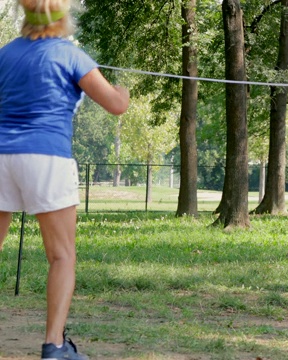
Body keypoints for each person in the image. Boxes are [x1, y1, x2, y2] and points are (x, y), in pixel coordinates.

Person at [0, 0, 130, 358]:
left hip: (0, 157)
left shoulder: (5, 54)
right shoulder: (71, 55)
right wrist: (124, 92)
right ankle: (55, 346)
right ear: (63, 15)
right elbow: (115, 105)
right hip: (46, 157)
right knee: (61, 257)